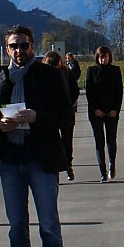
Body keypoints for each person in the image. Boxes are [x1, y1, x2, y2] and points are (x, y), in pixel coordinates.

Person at [0, 26, 71, 247]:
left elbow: (66, 116)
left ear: (32, 46)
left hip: (41, 159)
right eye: (14, 46)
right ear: (7, 49)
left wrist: (37, 117)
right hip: (11, 159)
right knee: (17, 227)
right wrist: (0, 125)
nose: (19, 50)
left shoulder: (50, 75)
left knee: (48, 225)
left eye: (24, 45)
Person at [85, 46, 123, 182]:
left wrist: (115, 109)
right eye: (101, 57)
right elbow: (89, 92)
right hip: (96, 112)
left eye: (106, 57)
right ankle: (103, 171)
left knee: (111, 140)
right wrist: (95, 109)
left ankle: (112, 164)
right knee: (99, 142)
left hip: (111, 111)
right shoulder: (92, 71)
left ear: (109, 57)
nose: (103, 59)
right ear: (97, 57)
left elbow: (119, 92)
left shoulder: (115, 71)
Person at [43, 51, 78, 181]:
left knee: (67, 141)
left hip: (65, 112)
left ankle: (68, 165)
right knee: (52, 142)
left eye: (57, 65)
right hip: (50, 114)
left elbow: (75, 90)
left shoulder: (66, 73)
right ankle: (55, 170)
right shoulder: (43, 76)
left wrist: (68, 103)